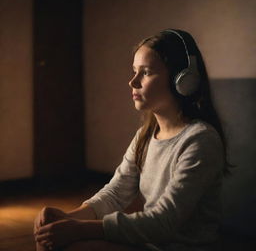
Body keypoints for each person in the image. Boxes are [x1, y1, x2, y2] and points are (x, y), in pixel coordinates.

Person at [34, 29, 230, 251]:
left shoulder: (201, 140)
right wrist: (66, 218)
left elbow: (163, 222)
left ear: (183, 80)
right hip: (151, 243)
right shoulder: (145, 135)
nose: (132, 82)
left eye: (145, 73)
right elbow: (116, 192)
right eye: (134, 71)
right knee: (51, 234)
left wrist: (78, 228)